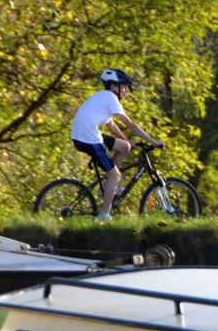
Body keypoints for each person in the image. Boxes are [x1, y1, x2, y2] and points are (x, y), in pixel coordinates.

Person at [70, 68, 165, 222]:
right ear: (114, 87)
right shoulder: (111, 99)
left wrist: (127, 142)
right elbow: (131, 125)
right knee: (116, 174)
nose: (127, 91)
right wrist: (154, 142)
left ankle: (109, 187)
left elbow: (112, 127)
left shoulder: (102, 98)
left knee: (124, 147)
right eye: (125, 87)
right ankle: (104, 215)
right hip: (89, 138)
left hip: (85, 134)